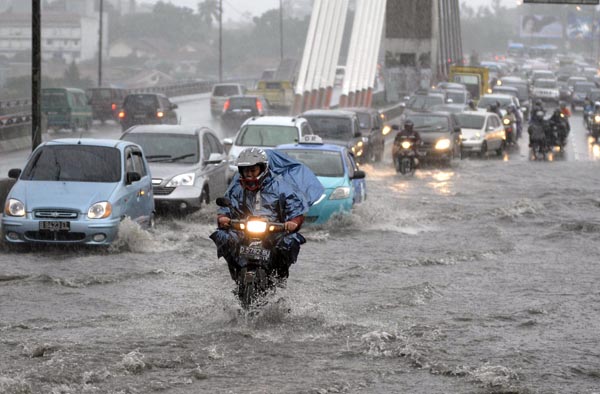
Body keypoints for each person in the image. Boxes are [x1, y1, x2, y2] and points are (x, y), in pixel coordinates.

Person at [210, 147, 322, 283]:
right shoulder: (236, 188)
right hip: (243, 230)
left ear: (263, 169)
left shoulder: (281, 187)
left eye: (253, 170)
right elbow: (226, 207)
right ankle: (236, 271)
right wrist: (223, 217)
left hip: (274, 232)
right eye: (246, 171)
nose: (249, 175)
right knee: (223, 236)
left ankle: (278, 276)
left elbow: (296, 211)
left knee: (290, 242)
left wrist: (293, 222)